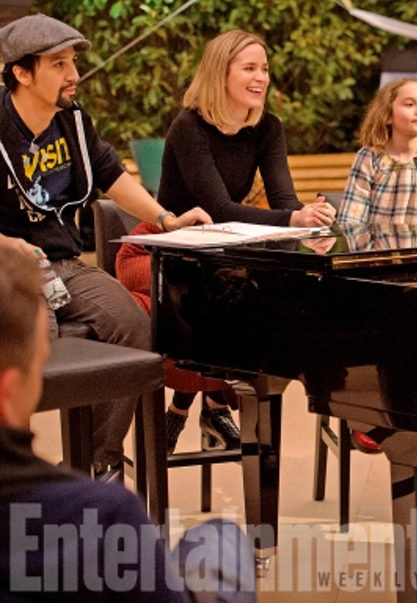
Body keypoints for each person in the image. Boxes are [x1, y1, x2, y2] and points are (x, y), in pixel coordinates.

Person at [0, 14, 210, 480]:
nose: (74, 74)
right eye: (58, 64)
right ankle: (17, 475)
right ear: (21, 72)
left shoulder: (73, 121)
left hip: (64, 264)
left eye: (73, 62)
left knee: (134, 327)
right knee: (39, 343)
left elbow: (112, 176)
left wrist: (166, 219)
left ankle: (99, 462)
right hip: (8, 268)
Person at [114, 29, 335, 456]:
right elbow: (218, 206)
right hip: (157, 252)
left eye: (265, 69)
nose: (261, 77)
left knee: (252, 295)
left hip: (218, 257)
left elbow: (285, 200)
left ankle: (200, 407)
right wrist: (292, 219)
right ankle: (208, 406)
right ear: (221, 73)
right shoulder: (189, 126)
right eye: (249, 68)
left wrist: (310, 219)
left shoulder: (268, 128)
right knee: (215, 296)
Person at [0, 247, 255, 602]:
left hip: (69, 262)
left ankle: (106, 457)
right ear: (9, 390)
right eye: (39, 365)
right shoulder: (104, 513)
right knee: (219, 539)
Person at [335, 77, 417, 249]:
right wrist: (368, 260)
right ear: (387, 115)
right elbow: (351, 220)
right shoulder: (370, 157)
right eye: (410, 104)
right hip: (377, 263)